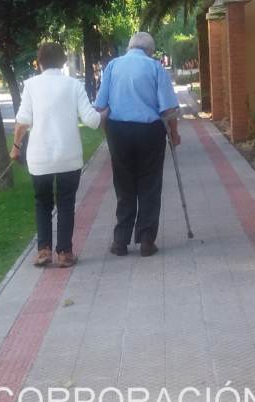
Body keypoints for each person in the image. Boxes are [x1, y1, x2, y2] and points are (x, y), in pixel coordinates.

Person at [12, 42, 101, 269]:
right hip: (68, 157)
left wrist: (15, 147)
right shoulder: (73, 85)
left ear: (39, 62)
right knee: (65, 204)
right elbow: (91, 121)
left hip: (39, 158)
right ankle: (65, 253)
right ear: (63, 62)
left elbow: (22, 123)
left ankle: (44, 250)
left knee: (42, 203)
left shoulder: (31, 85)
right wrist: (106, 111)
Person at [93, 32, 180, 257]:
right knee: (150, 185)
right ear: (150, 51)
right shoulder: (155, 67)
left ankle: (120, 241)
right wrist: (175, 134)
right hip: (149, 131)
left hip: (118, 131)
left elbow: (101, 107)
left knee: (124, 185)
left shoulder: (112, 67)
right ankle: (146, 241)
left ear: (129, 48)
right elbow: (168, 109)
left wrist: (109, 134)